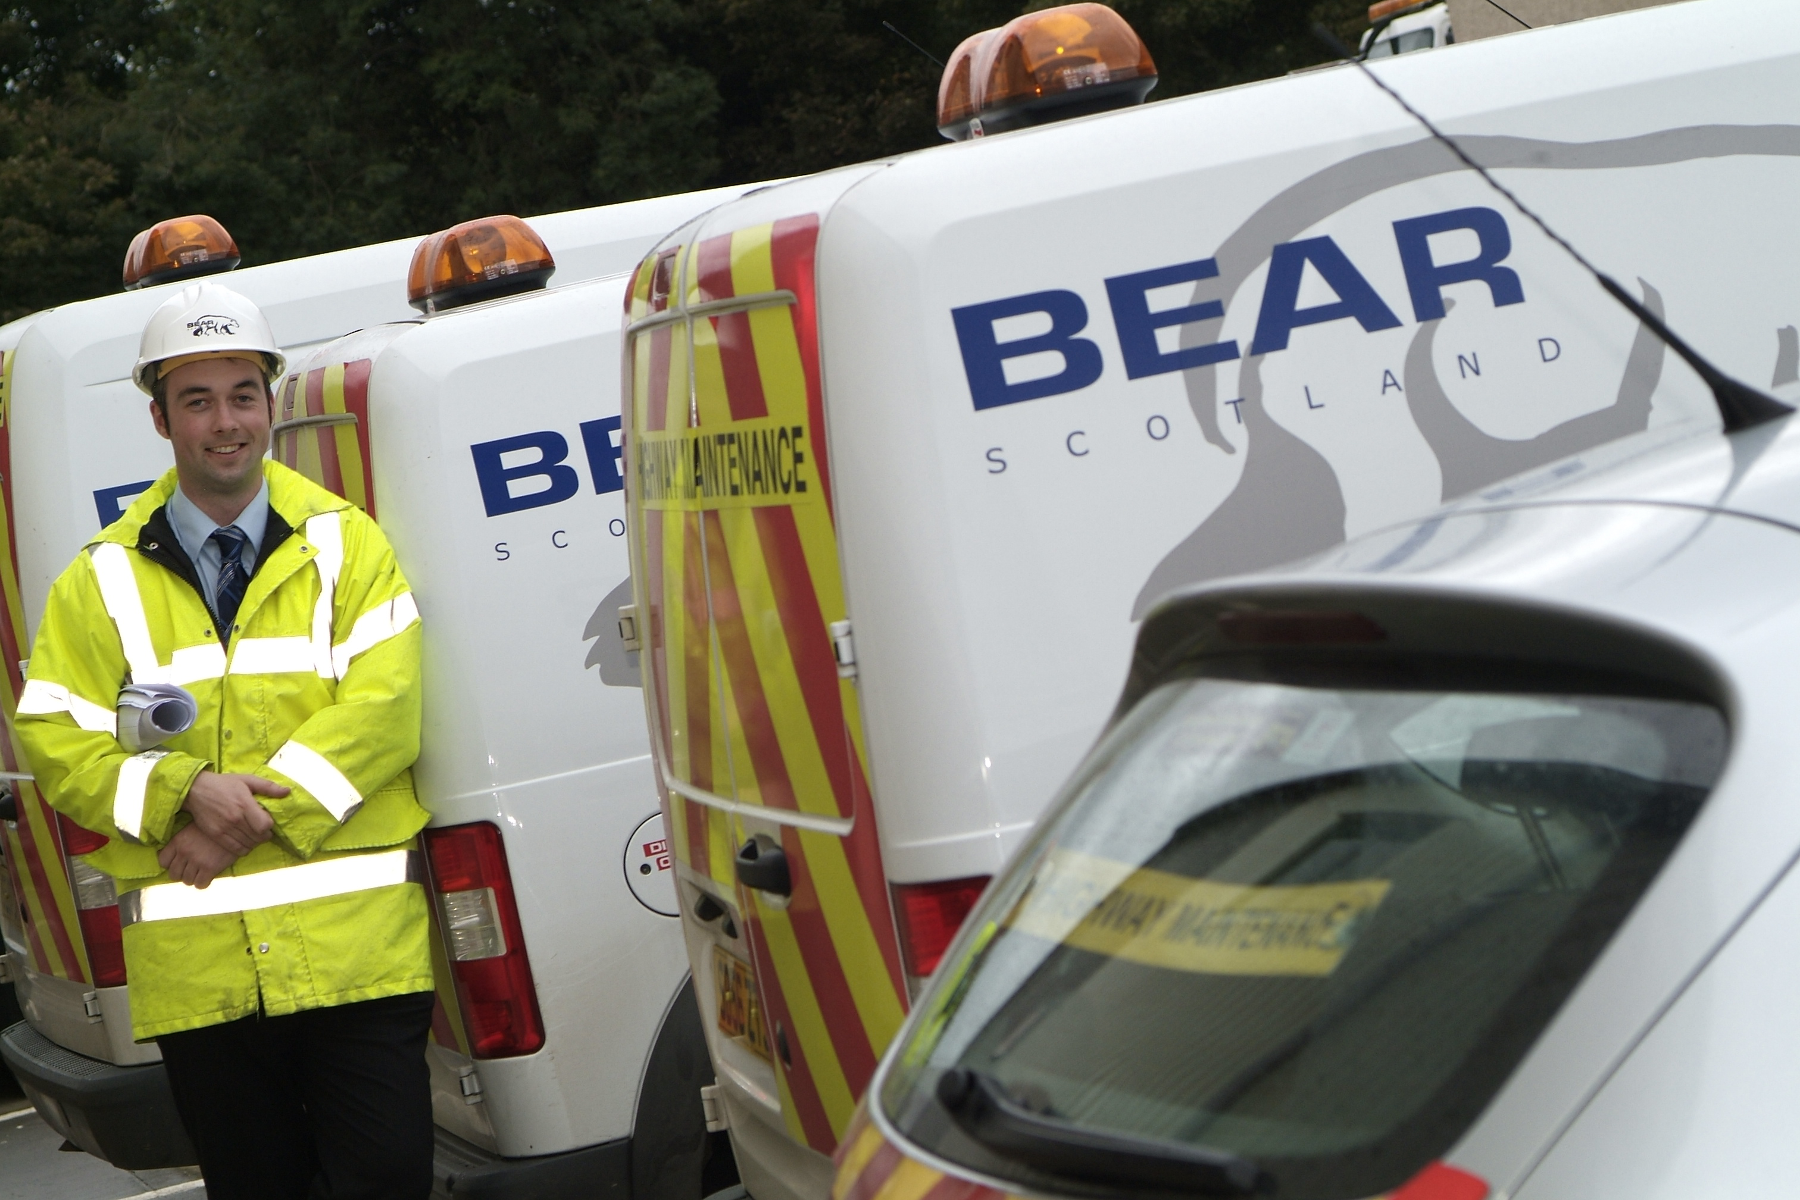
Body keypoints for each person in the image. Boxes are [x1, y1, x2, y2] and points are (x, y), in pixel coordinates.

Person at [14, 282, 435, 1200]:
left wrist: (231, 822)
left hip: (356, 959)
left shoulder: (346, 545)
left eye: (242, 395)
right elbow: (57, 737)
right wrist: (182, 793)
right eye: (197, 401)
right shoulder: (101, 580)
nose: (225, 422)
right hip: (202, 978)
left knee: (389, 1178)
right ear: (160, 418)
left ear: (271, 401)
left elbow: (384, 711)